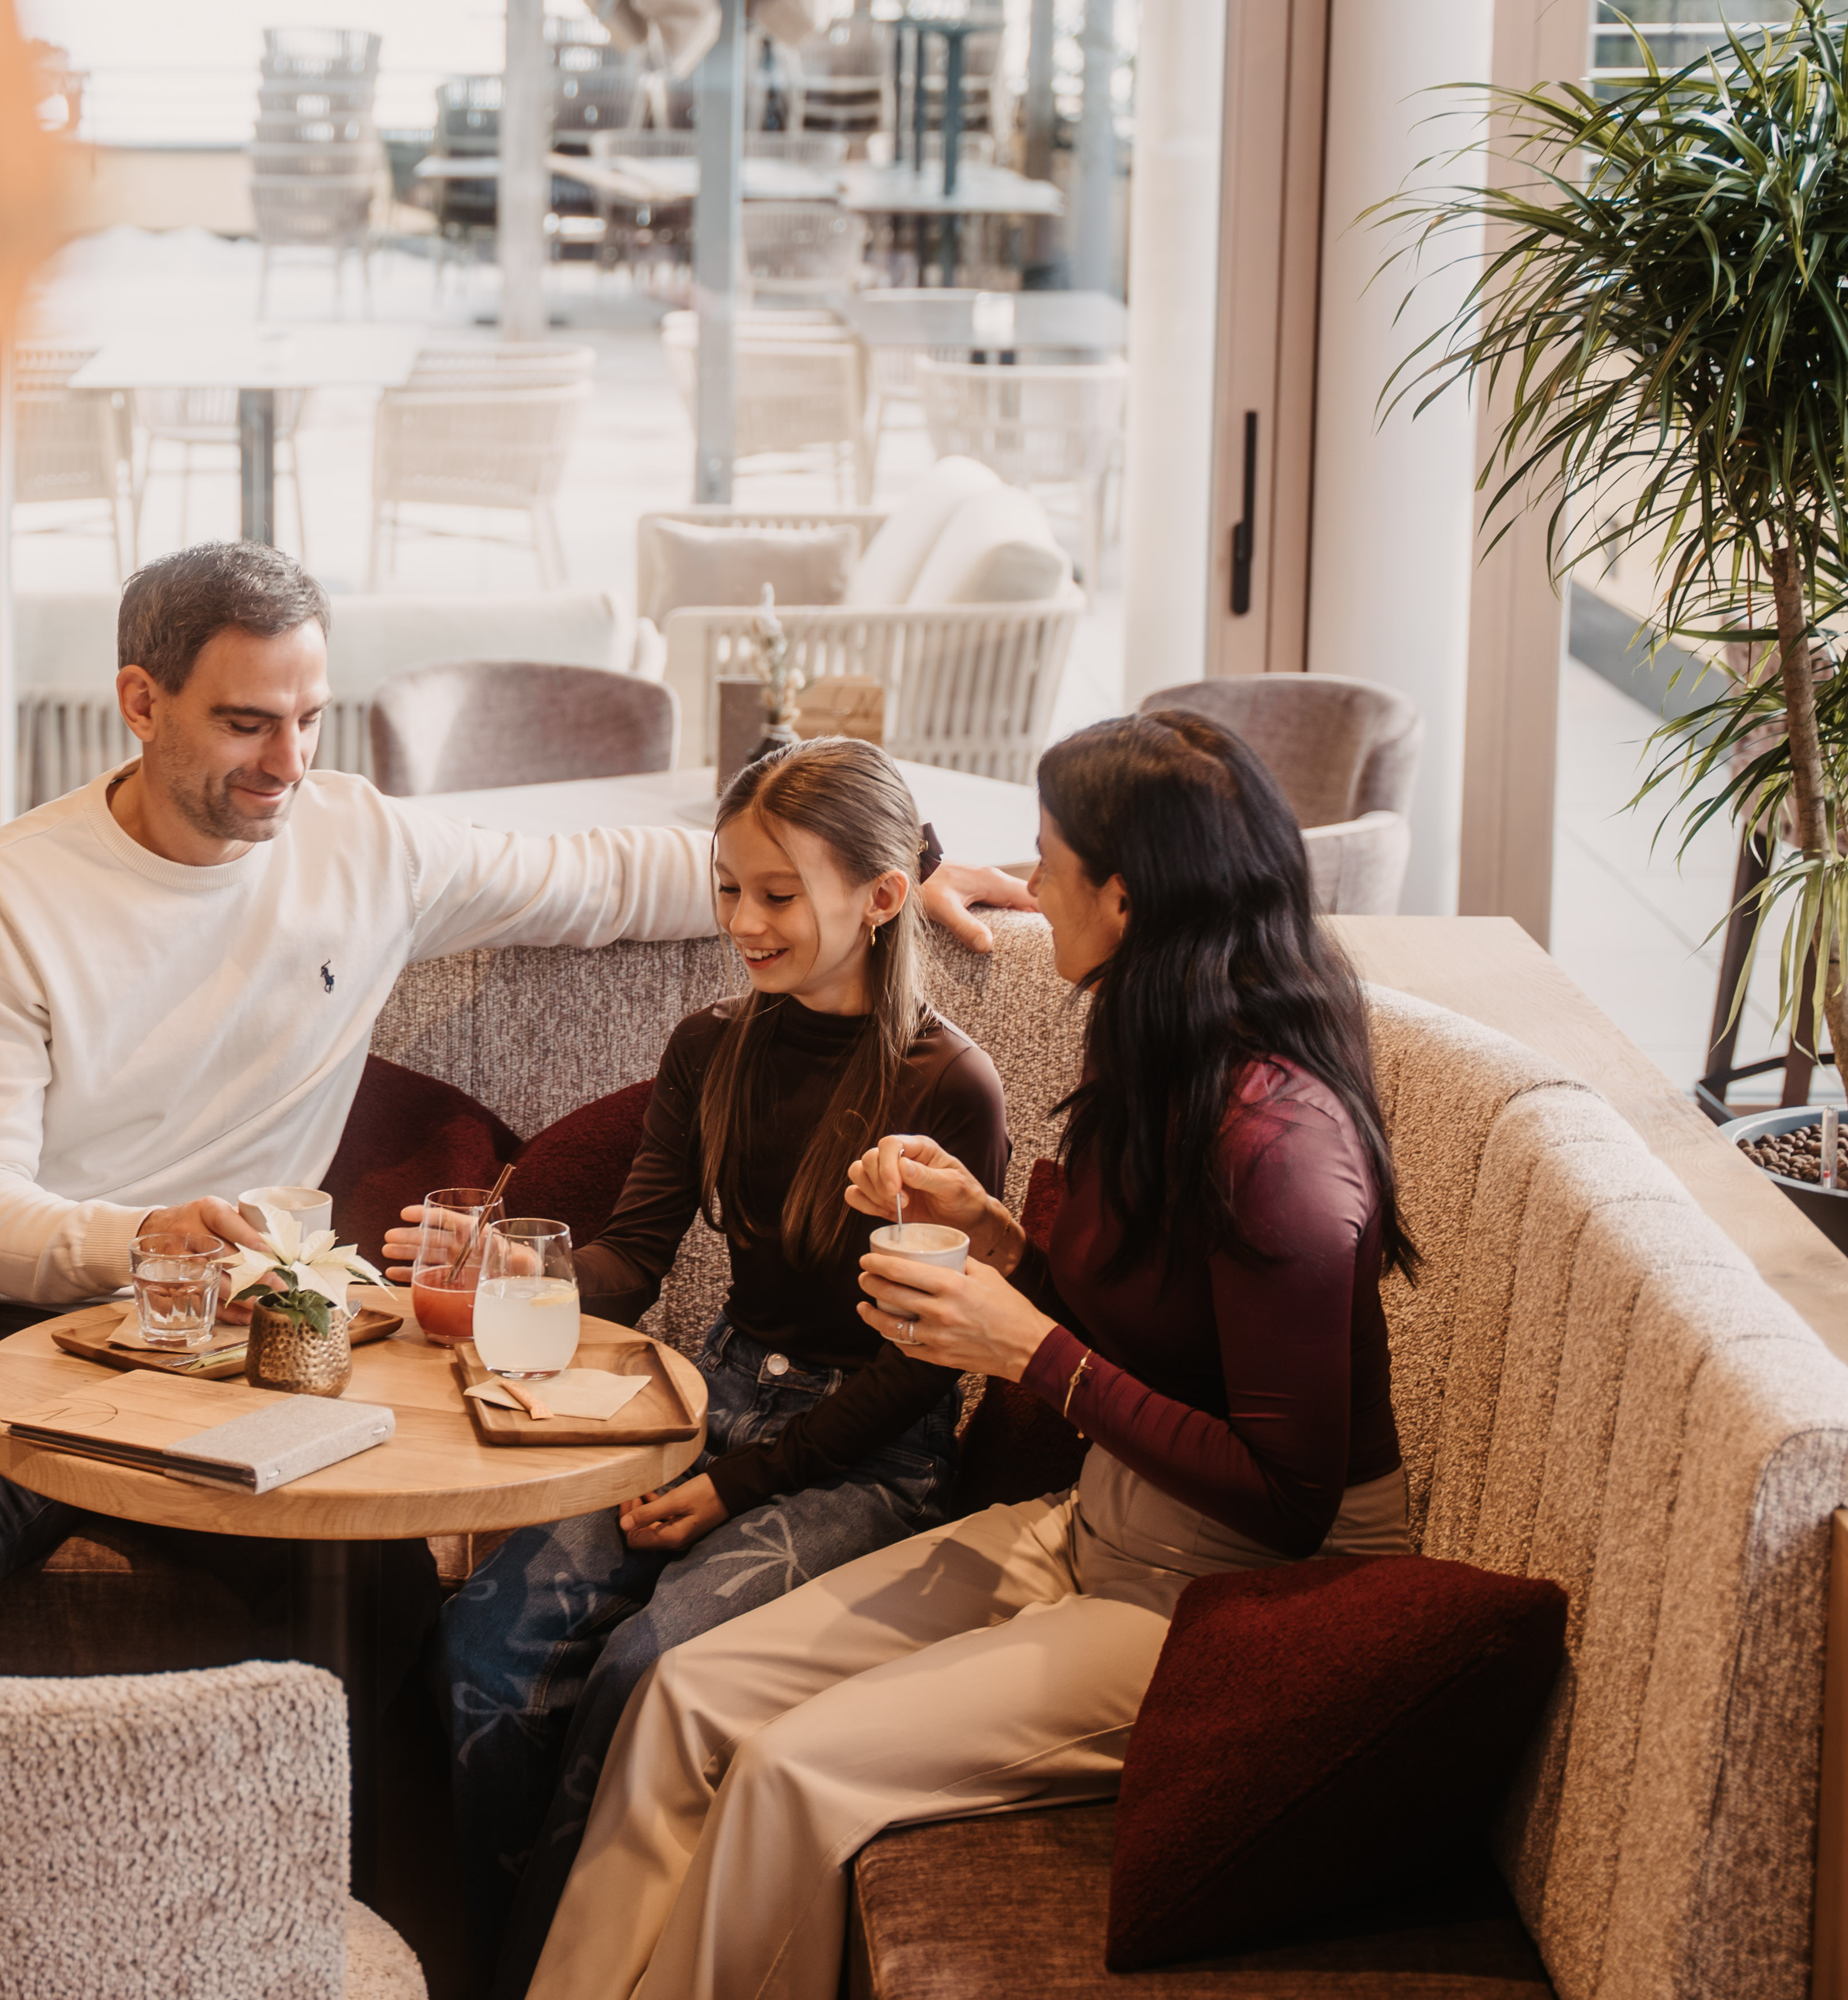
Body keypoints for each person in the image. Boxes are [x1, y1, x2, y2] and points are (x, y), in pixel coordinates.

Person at [0, 542, 1030, 1675]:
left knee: (382, 1598)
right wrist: (138, 1238)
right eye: (245, 723)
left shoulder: (357, 840)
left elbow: (608, 875)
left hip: (245, 1339)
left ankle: (378, 1911)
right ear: (141, 702)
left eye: (308, 719)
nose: (288, 765)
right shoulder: (8, 895)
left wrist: (896, 880)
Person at [524, 709, 1419, 2000]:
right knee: (683, 1697)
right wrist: (994, 1237)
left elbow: (1293, 1497)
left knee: (789, 1773)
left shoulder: (1280, 1145)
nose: (1026, 881)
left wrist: (1036, 1351)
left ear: (1124, 895)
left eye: (1051, 858)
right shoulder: (1151, 1058)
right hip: (1095, 1529)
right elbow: (1140, 1327)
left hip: (1232, 1600)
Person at [419, 739, 1010, 1999]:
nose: (743, 921)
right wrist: (507, 1269)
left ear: (884, 896)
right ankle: (487, 1960)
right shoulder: (712, 1044)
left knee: (650, 1667)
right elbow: (634, 1257)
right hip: (713, 1392)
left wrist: (742, 1489)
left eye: (779, 895)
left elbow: (924, 1367)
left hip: (868, 1445)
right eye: (728, 887)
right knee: (486, 1639)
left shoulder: (950, 1085)